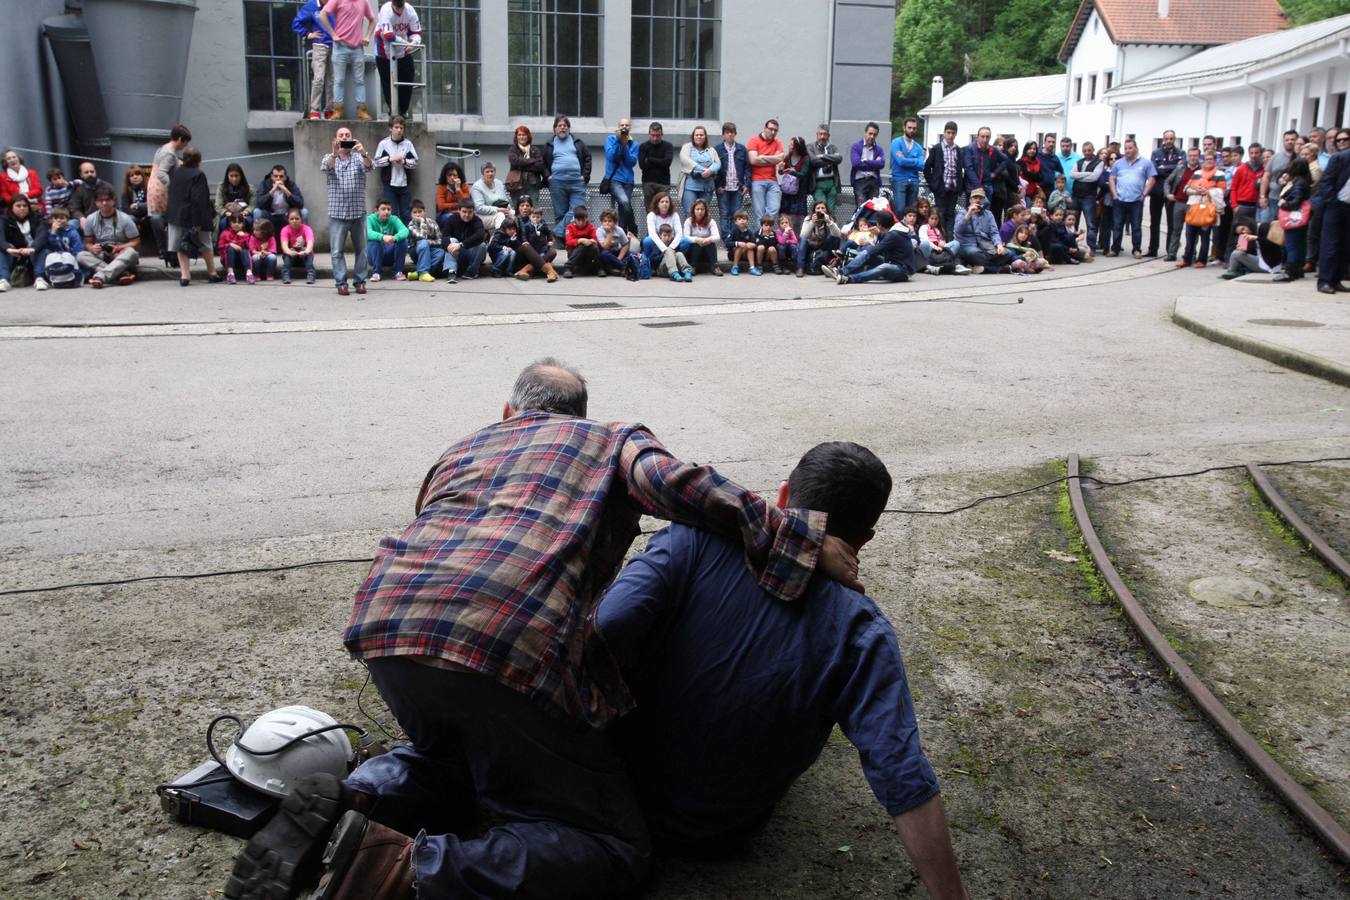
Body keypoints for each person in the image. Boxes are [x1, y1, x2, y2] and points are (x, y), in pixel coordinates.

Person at [225, 359, 858, 900]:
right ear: (582, 413)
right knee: (613, 846)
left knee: (459, 758)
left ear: (508, 410)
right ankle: (398, 871)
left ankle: (353, 798)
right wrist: (798, 536)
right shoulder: (611, 440)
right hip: (506, 644)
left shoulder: (465, 448)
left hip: (387, 627)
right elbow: (681, 486)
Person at [596, 440, 969, 899]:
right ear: (865, 539)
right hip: (711, 828)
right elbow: (902, 771)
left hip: (605, 787)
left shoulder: (686, 540)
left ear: (782, 495)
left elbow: (606, 627)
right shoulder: (862, 630)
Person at [320, 125, 374, 295]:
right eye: (341, 135)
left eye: (347, 135)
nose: (344, 137)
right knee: (337, 251)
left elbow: (370, 167)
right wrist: (335, 153)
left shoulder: (358, 157)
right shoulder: (329, 157)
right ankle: (341, 283)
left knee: (362, 250)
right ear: (336, 139)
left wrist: (363, 152)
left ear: (352, 138)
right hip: (337, 213)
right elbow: (326, 168)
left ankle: (360, 281)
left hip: (358, 212)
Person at [165, 147, 220, 286]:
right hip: (194, 216)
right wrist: (198, 221)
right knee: (205, 244)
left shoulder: (176, 172)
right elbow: (199, 199)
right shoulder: (198, 175)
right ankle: (212, 273)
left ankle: (185, 276)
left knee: (180, 245)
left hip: (176, 215)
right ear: (199, 161)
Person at [318, 0, 376, 120]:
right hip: (340, 46)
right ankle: (338, 111)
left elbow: (373, 19)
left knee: (360, 80)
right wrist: (333, 34)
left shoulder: (363, 1)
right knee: (338, 80)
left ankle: (361, 111)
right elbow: (322, 15)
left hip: (357, 47)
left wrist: (368, 36)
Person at [823, 209, 913, 284]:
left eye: (877, 222)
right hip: (892, 262)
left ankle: (849, 278)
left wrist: (866, 249)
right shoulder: (895, 231)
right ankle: (841, 271)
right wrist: (879, 234)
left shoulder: (894, 235)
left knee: (882, 265)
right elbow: (889, 240)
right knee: (870, 252)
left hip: (903, 270)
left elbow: (878, 249)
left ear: (879, 225)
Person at [79, 186, 141, 288]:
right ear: (96, 202)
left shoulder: (125, 218)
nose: (104, 203)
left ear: (113, 201)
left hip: (120, 253)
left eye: (107, 200)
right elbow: (88, 242)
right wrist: (92, 248)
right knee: (81, 255)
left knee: (132, 252)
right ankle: (121, 273)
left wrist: (119, 248)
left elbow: (136, 242)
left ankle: (101, 276)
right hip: (102, 254)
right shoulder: (90, 219)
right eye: (101, 200)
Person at [1312, 127, 1349, 295]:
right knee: (1330, 245)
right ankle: (1325, 281)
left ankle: (1336, 279)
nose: (1341, 143)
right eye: (1338, 140)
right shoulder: (1339, 159)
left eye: (1345, 140)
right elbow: (1326, 183)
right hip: (1336, 206)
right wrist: (1332, 202)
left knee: (1345, 246)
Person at [148, 124, 191, 266]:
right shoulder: (170, 153)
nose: (185, 145)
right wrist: (172, 186)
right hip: (163, 190)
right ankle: (171, 252)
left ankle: (165, 251)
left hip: (153, 186)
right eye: (185, 142)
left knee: (158, 218)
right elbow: (162, 172)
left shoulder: (162, 149)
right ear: (180, 139)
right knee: (173, 221)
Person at [1106, 138, 1157, 258]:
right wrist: (1114, 194)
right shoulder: (1118, 163)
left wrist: (1144, 194)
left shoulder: (1145, 163)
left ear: (1136, 148)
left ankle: (1136, 249)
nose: (1127, 150)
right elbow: (1112, 178)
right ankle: (1115, 249)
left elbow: (1152, 179)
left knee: (1136, 226)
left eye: (1130, 148)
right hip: (1120, 199)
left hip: (1136, 200)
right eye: (1126, 148)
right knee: (1117, 225)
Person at [542, 115, 591, 231]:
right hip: (557, 182)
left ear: (569, 128)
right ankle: (562, 240)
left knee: (578, 209)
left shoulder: (578, 142)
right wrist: (547, 176)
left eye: (565, 126)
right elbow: (542, 162)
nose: (562, 128)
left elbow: (588, 157)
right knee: (560, 213)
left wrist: (585, 175)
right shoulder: (549, 144)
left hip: (577, 182)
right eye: (559, 126)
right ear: (555, 129)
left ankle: (556, 232)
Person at [374, 0, 421, 118]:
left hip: (403, 52)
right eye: (396, 8)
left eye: (401, 8)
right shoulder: (386, 10)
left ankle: (403, 110)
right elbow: (388, 35)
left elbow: (416, 33)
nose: (399, 11)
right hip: (384, 52)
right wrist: (406, 42)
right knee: (388, 83)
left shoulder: (410, 10)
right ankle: (393, 110)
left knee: (407, 80)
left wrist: (413, 43)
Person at [1179, 150, 1224, 269]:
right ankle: (1186, 258)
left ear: (1215, 161)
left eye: (1211, 159)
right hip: (1193, 207)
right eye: (1206, 159)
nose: (1208, 161)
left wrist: (1208, 192)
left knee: (1205, 236)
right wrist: (1196, 191)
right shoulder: (1197, 173)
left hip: (1207, 209)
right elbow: (1186, 189)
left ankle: (1202, 260)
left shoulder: (1220, 174)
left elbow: (1222, 192)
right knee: (1189, 235)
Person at [1271, 156, 1313, 284]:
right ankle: (1298, 268)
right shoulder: (1304, 181)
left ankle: (1290, 271)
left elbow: (1295, 202)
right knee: (1299, 244)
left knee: (1292, 244)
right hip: (1301, 219)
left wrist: (1283, 203)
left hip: (1294, 218)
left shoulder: (1299, 183)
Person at [292, 0, 335, 119]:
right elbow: (296, 22)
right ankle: (315, 110)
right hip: (320, 45)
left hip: (336, 44)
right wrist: (308, 34)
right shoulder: (311, 5)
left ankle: (329, 109)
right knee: (318, 78)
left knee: (333, 79)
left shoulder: (335, 3)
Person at [953, 188, 1012, 274]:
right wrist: (969, 213)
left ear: (984, 200)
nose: (978, 200)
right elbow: (958, 230)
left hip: (986, 247)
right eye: (975, 198)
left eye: (981, 198)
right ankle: (997, 269)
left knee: (1008, 253)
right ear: (970, 200)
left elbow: (994, 232)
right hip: (968, 246)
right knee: (974, 253)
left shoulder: (988, 214)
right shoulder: (962, 213)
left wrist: (999, 245)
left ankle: (982, 267)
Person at [374, 115, 419, 225]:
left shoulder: (408, 144)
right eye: (396, 127)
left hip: (405, 185)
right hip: (389, 185)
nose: (399, 130)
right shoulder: (384, 144)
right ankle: (392, 240)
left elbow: (415, 162)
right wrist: (389, 159)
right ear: (390, 128)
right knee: (391, 214)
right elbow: (376, 162)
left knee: (406, 214)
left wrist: (404, 161)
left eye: (401, 128)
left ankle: (406, 240)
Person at [923, 121, 964, 240]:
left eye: (953, 133)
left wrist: (959, 186)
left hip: (954, 187)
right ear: (944, 133)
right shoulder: (937, 148)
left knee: (951, 215)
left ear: (956, 134)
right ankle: (940, 239)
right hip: (941, 187)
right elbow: (927, 168)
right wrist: (933, 184)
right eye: (948, 132)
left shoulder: (958, 150)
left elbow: (959, 168)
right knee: (940, 214)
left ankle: (949, 239)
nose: (950, 135)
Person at [0, 194, 47, 291]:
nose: (22, 208)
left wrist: (33, 248)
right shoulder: (4, 219)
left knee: (39, 246)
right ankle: (3, 279)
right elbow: (1, 238)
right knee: (3, 248)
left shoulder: (37, 217)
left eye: (25, 206)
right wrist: (8, 249)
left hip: (32, 252)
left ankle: (40, 278)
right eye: (18, 206)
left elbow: (42, 235)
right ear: (11, 207)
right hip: (14, 253)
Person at [1145, 130, 1181, 257]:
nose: (1169, 141)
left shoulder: (1180, 153)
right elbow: (1154, 169)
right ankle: (1152, 249)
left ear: (1174, 139)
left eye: (1171, 138)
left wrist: (1164, 167)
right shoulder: (1156, 153)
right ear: (1163, 139)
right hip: (1157, 191)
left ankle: (1170, 250)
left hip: (1172, 190)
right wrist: (1171, 167)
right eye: (1166, 139)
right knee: (1154, 221)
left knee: (1172, 222)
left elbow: (1179, 169)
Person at [602, 117, 640, 234]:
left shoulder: (634, 144)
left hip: (628, 180)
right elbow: (611, 156)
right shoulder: (610, 139)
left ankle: (622, 233)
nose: (624, 127)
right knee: (624, 202)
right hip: (614, 179)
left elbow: (631, 162)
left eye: (627, 125)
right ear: (618, 127)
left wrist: (625, 144)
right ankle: (633, 227)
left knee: (623, 209)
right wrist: (619, 141)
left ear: (630, 128)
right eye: (622, 125)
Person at [714, 122, 750, 238]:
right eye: (727, 133)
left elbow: (747, 168)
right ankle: (727, 239)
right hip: (723, 187)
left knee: (737, 214)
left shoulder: (741, 149)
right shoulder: (717, 150)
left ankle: (736, 237)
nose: (730, 135)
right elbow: (715, 170)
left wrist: (746, 184)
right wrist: (718, 185)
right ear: (723, 135)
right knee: (724, 214)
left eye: (732, 133)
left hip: (737, 187)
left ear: (735, 134)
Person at [1163, 147, 1199, 262]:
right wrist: (1168, 194)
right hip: (1179, 202)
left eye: (1195, 156)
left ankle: (1191, 253)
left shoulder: (1201, 171)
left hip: (1194, 204)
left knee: (1192, 231)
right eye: (1191, 155)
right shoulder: (1180, 168)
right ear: (1187, 157)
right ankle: (1172, 253)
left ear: (1198, 157)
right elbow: (1168, 181)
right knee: (1176, 229)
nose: (1192, 158)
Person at [34, 206, 83, 288]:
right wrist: (53, 234)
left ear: (67, 220)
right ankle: (40, 278)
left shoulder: (72, 232)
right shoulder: (50, 231)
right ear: (52, 220)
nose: (58, 220)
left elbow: (77, 250)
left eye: (62, 218)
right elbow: (48, 247)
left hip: (69, 259)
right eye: (55, 218)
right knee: (43, 252)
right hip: (54, 260)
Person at [747, 119, 785, 224]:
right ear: (765, 129)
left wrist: (762, 157)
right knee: (759, 213)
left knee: (774, 209)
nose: (773, 132)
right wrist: (772, 159)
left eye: (775, 130)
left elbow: (780, 158)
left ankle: (767, 236)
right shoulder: (754, 140)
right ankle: (760, 239)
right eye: (771, 129)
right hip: (757, 180)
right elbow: (753, 160)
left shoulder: (777, 142)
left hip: (772, 181)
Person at [678, 125, 720, 219]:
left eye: (701, 135)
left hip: (707, 188)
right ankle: (689, 234)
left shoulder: (711, 149)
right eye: (697, 135)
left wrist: (710, 170)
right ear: (693, 136)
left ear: (705, 137)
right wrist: (702, 168)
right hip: (690, 187)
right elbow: (685, 160)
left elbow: (717, 163)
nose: (699, 137)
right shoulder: (687, 147)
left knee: (703, 214)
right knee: (690, 213)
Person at [253, 164, 306, 237]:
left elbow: (300, 204)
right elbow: (259, 203)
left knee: (304, 212)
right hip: (270, 214)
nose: (278, 179)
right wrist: (272, 190)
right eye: (275, 176)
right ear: (271, 176)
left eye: (281, 176)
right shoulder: (264, 184)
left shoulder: (291, 184)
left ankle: (302, 239)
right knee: (257, 212)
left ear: (285, 177)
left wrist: (286, 190)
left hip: (287, 214)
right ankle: (257, 241)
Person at [441, 197, 486, 283]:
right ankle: (451, 272)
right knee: (452, 240)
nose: (467, 215)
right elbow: (444, 237)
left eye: (470, 212)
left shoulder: (477, 220)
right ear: (459, 210)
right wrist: (449, 246)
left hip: (471, 253)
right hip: (456, 253)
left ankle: (472, 272)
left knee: (482, 245)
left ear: (474, 212)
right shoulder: (451, 219)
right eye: (464, 212)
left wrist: (461, 245)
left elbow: (480, 235)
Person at [1260, 129, 1299, 227]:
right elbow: (1266, 176)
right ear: (1283, 141)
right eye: (1287, 140)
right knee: (1274, 226)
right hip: (1275, 198)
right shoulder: (1275, 157)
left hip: (1293, 199)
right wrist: (1262, 196)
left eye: (1292, 139)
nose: (1290, 141)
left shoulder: (1301, 157)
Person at [365, 197, 409, 281]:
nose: (386, 212)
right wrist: (382, 237)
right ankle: (376, 273)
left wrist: (396, 238)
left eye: (389, 209)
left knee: (403, 241)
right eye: (383, 209)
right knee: (376, 241)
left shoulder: (394, 219)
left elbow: (405, 230)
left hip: (389, 255)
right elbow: (367, 232)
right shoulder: (370, 219)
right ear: (376, 210)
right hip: (373, 256)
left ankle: (398, 272)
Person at [795, 200, 841, 277]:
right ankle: (800, 267)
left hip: (823, 245)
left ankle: (831, 265)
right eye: (818, 208)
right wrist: (812, 223)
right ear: (814, 210)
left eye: (823, 208)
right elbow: (803, 235)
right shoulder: (808, 218)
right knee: (803, 240)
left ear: (826, 210)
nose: (820, 210)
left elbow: (838, 235)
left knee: (835, 238)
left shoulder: (830, 218)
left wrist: (829, 222)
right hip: (811, 244)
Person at [806, 124, 843, 218]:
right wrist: (831, 159)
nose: (822, 137)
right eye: (820, 134)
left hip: (831, 182)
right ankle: (821, 231)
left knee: (831, 210)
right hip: (818, 183)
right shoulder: (810, 147)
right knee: (821, 208)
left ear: (828, 135)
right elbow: (813, 161)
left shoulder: (832, 147)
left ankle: (832, 231)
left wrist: (822, 156)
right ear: (817, 134)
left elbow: (838, 159)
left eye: (825, 134)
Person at [890, 117, 924, 216]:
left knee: (912, 212)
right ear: (904, 128)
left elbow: (922, 165)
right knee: (899, 210)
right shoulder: (896, 143)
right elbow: (900, 162)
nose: (912, 130)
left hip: (914, 181)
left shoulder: (918, 147)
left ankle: (910, 231)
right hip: (899, 180)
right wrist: (915, 161)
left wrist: (905, 160)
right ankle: (899, 230)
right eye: (909, 127)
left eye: (914, 128)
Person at [638, 121, 675, 212]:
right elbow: (642, 165)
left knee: (664, 209)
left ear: (662, 134)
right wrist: (660, 161)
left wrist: (650, 159)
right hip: (648, 182)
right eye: (653, 135)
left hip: (663, 183)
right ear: (649, 134)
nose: (655, 138)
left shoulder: (668, 146)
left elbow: (667, 163)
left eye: (657, 135)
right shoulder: (643, 146)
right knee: (650, 210)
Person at [642, 191, 685, 269]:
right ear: (657, 204)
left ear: (670, 204)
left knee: (685, 241)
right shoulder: (651, 215)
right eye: (662, 202)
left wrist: (671, 248)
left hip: (671, 242)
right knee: (647, 240)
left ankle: (679, 265)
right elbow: (652, 234)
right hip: (657, 243)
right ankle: (649, 266)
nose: (665, 204)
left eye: (667, 202)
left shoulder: (675, 215)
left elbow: (679, 233)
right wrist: (665, 249)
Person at [506, 125, 546, 209]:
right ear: (516, 137)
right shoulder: (513, 149)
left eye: (524, 135)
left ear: (528, 136)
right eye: (519, 135)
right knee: (517, 209)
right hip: (516, 184)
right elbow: (515, 162)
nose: (521, 137)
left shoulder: (535, 150)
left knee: (534, 209)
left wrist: (522, 164)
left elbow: (540, 166)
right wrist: (533, 161)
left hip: (533, 184)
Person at [405, 199, 442, 281]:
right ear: (411, 214)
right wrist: (422, 222)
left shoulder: (432, 223)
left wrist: (429, 242)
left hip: (429, 249)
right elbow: (422, 237)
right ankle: (423, 272)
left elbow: (439, 240)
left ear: (424, 212)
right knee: (423, 242)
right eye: (414, 212)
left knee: (441, 253)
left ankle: (418, 273)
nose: (418, 214)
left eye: (420, 211)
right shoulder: (410, 226)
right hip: (415, 251)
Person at [682, 198, 721, 276]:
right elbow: (685, 238)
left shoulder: (711, 221)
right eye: (697, 209)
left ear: (705, 211)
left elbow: (717, 237)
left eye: (702, 209)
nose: (700, 212)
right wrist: (697, 239)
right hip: (693, 252)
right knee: (696, 243)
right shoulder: (688, 221)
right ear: (693, 210)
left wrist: (708, 239)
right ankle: (693, 266)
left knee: (711, 243)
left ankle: (714, 266)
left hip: (706, 252)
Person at [279, 207, 317, 284]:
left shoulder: (307, 229)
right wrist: (289, 252)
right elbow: (284, 245)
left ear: (301, 219)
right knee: (289, 251)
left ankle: (311, 274)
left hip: (304, 256)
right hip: (291, 257)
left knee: (306, 250)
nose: (294, 221)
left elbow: (310, 243)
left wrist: (305, 252)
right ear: (288, 220)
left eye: (297, 218)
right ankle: (285, 274)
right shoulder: (285, 230)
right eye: (291, 219)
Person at [777, 137, 809, 227]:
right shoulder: (788, 157)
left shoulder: (805, 158)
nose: (789, 145)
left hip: (799, 192)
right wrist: (780, 169)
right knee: (785, 214)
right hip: (787, 192)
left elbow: (804, 174)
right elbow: (782, 172)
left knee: (798, 217)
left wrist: (792, 172)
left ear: (797, 147)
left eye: (791, 144)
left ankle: (797, 236)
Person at [471, 161, 510, 234]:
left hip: (501, 211)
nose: (490, 174)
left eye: (492, 171)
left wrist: (508, 209)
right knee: (500, 216)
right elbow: (479, 208)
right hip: (482, 216)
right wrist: (498, 210)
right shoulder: (477, 187)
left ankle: (517, 240)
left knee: (513, 214)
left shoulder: (499, 183)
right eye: (487, 172)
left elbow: (506, 199)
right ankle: (498, 240)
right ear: (482, 174)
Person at [216, 163, 254, 236]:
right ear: (227, 176)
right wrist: (226, 213)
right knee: (223, 223)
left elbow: (253, 204)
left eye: (236, 176)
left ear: (241, 176)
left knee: (249, 221)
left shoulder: (249, 188)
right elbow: (218, 206)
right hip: (228, 213)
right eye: (231, 176)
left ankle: (248, 242)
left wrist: (247, 211)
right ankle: (226, 242)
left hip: (243, 213)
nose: (234, 179)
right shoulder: (221, 187)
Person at [962, 127, 996, 206]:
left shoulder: (991, 150)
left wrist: (995, 173)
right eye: (982, 136)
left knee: (986, 214)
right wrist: (979, 186)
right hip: (973, 188)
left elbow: (1005, 161)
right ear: (978, 137)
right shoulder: (970, 149)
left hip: (987, 187)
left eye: (987, 137)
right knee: (973, 213)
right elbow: (969, 169)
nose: (985, 139)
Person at [434, 161, 471, 233]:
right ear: (445, 176)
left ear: (459, 176)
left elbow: (466, 203)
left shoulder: (464, 186)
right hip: (445, 214)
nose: (452, 177)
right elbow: (441, 206)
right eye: (449, 175)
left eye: (454, 175)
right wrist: (457, 205)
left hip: (462, 212)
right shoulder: (441, 187)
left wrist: (458, 190)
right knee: (452, 218)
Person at [217, 214, 254, 283]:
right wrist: (230, 244)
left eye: (239, 223)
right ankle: (230, 273)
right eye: (234, 222)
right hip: (227, 259)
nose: (237, 224)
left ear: (243, 224)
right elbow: (220, 247)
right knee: (230, 249)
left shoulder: (246, 234)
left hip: (242, 260)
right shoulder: (225, 233)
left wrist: (243, 237)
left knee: (244, 251)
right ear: (230, 223)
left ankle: (249, 273)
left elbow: (250, 248)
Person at [594, 207, 631, 275]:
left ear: (615, 222)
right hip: (606, 253)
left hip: (616, 252)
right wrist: (609, 234)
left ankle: (615, 266)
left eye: (610, 221)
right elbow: (605, 247)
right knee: (604, 254)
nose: (607, 223)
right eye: (605, 221)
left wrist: (619, 258)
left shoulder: (619, 230)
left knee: (630, 253)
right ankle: (623, 266)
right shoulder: (599, 231)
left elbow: (625, 244)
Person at [724, 209, 757, 276]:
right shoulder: (733, 231)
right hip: (733, 255)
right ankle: (735, 267)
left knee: (750, 248)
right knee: (739, 247)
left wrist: (752, 245)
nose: (742, 221)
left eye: (744, 219)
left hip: (745, 255)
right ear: (736, 222)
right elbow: (727, 243)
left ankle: (752, 267)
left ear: (747, 220)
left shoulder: (749, 232)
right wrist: (737, 243)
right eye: (739, 219)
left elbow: (755, 243)